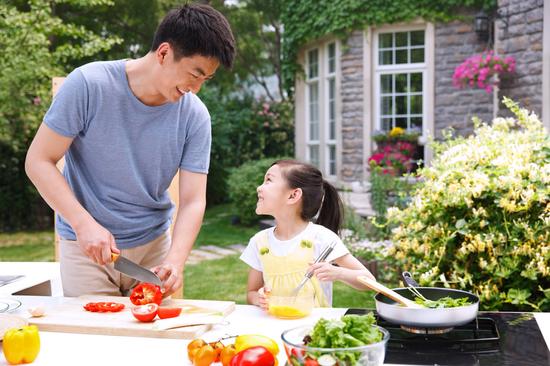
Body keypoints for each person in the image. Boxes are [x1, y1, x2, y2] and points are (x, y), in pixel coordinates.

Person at [25, 4, 236, 297]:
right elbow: (38, 161)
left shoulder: (195, 117)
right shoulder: (88, 85)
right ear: (163, 53)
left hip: (154, 250)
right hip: (87, 249)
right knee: (93, 339)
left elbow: (192, 201)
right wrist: (83, 223)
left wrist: (175, 259)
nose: (196, 88)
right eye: (194, 74)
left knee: (156, 341)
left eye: (205, 79)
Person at [240, 160, 375, 309]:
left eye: (268, 180)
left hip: (313, 329)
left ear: (293, 195)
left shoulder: (321, 238)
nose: (259, 187)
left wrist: (338, 273)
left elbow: (369, 280)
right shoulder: (259, 242)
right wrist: (258, 299)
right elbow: (251, 292)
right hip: (273, 326)